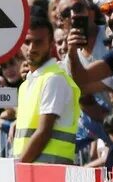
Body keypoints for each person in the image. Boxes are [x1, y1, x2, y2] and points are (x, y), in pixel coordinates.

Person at [12, 18, 79, 164]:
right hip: (33, 172)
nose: (31, 48)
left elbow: (44, 132)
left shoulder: (54, 79)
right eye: (27, 42)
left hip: (50, 174)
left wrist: (18, 168)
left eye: (38, 42)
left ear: (51, 44)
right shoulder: (27, 84)